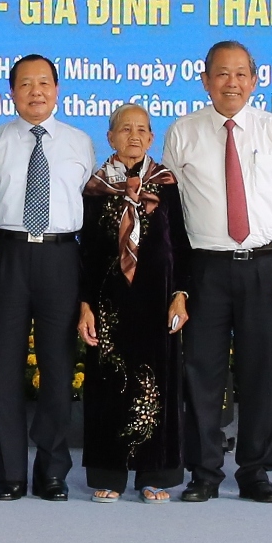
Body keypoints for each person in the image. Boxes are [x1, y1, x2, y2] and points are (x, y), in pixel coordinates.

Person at [164, 40, 272, 503]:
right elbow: (170, 214)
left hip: (262, 267)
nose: (232, 82)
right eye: (222, 74)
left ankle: (255, 471)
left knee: (260, 373)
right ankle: (204, 472)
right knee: (200, 373)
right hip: (204, 268)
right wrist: (177, 282)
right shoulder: (182, 132)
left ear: (255, 80)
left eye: (241, 73)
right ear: (205, 80)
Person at [0, 54, 96, 501]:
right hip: (5, 255)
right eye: (25, 83)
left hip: (61, 257)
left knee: (58, 369)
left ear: (57, 90)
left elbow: (89, 208)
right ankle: (10, 474)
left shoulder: (80, 142)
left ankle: (52, 471)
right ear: (12, 92)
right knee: (5, 368)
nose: (36, 91)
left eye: (44, 82)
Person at [77, 103, 186, 503]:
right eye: (125, 129)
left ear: (152, 138)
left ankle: (155, 473)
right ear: (110, 137)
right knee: (108, 383)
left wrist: (181, 295)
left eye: (142, 129)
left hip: (158, 302)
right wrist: (84, 304)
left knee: (158, 385)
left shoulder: (166, 183)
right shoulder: (95, 187)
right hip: (109, 301)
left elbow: (181, 245)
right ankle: (109, 472)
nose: (134, 136)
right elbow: (86, 251)